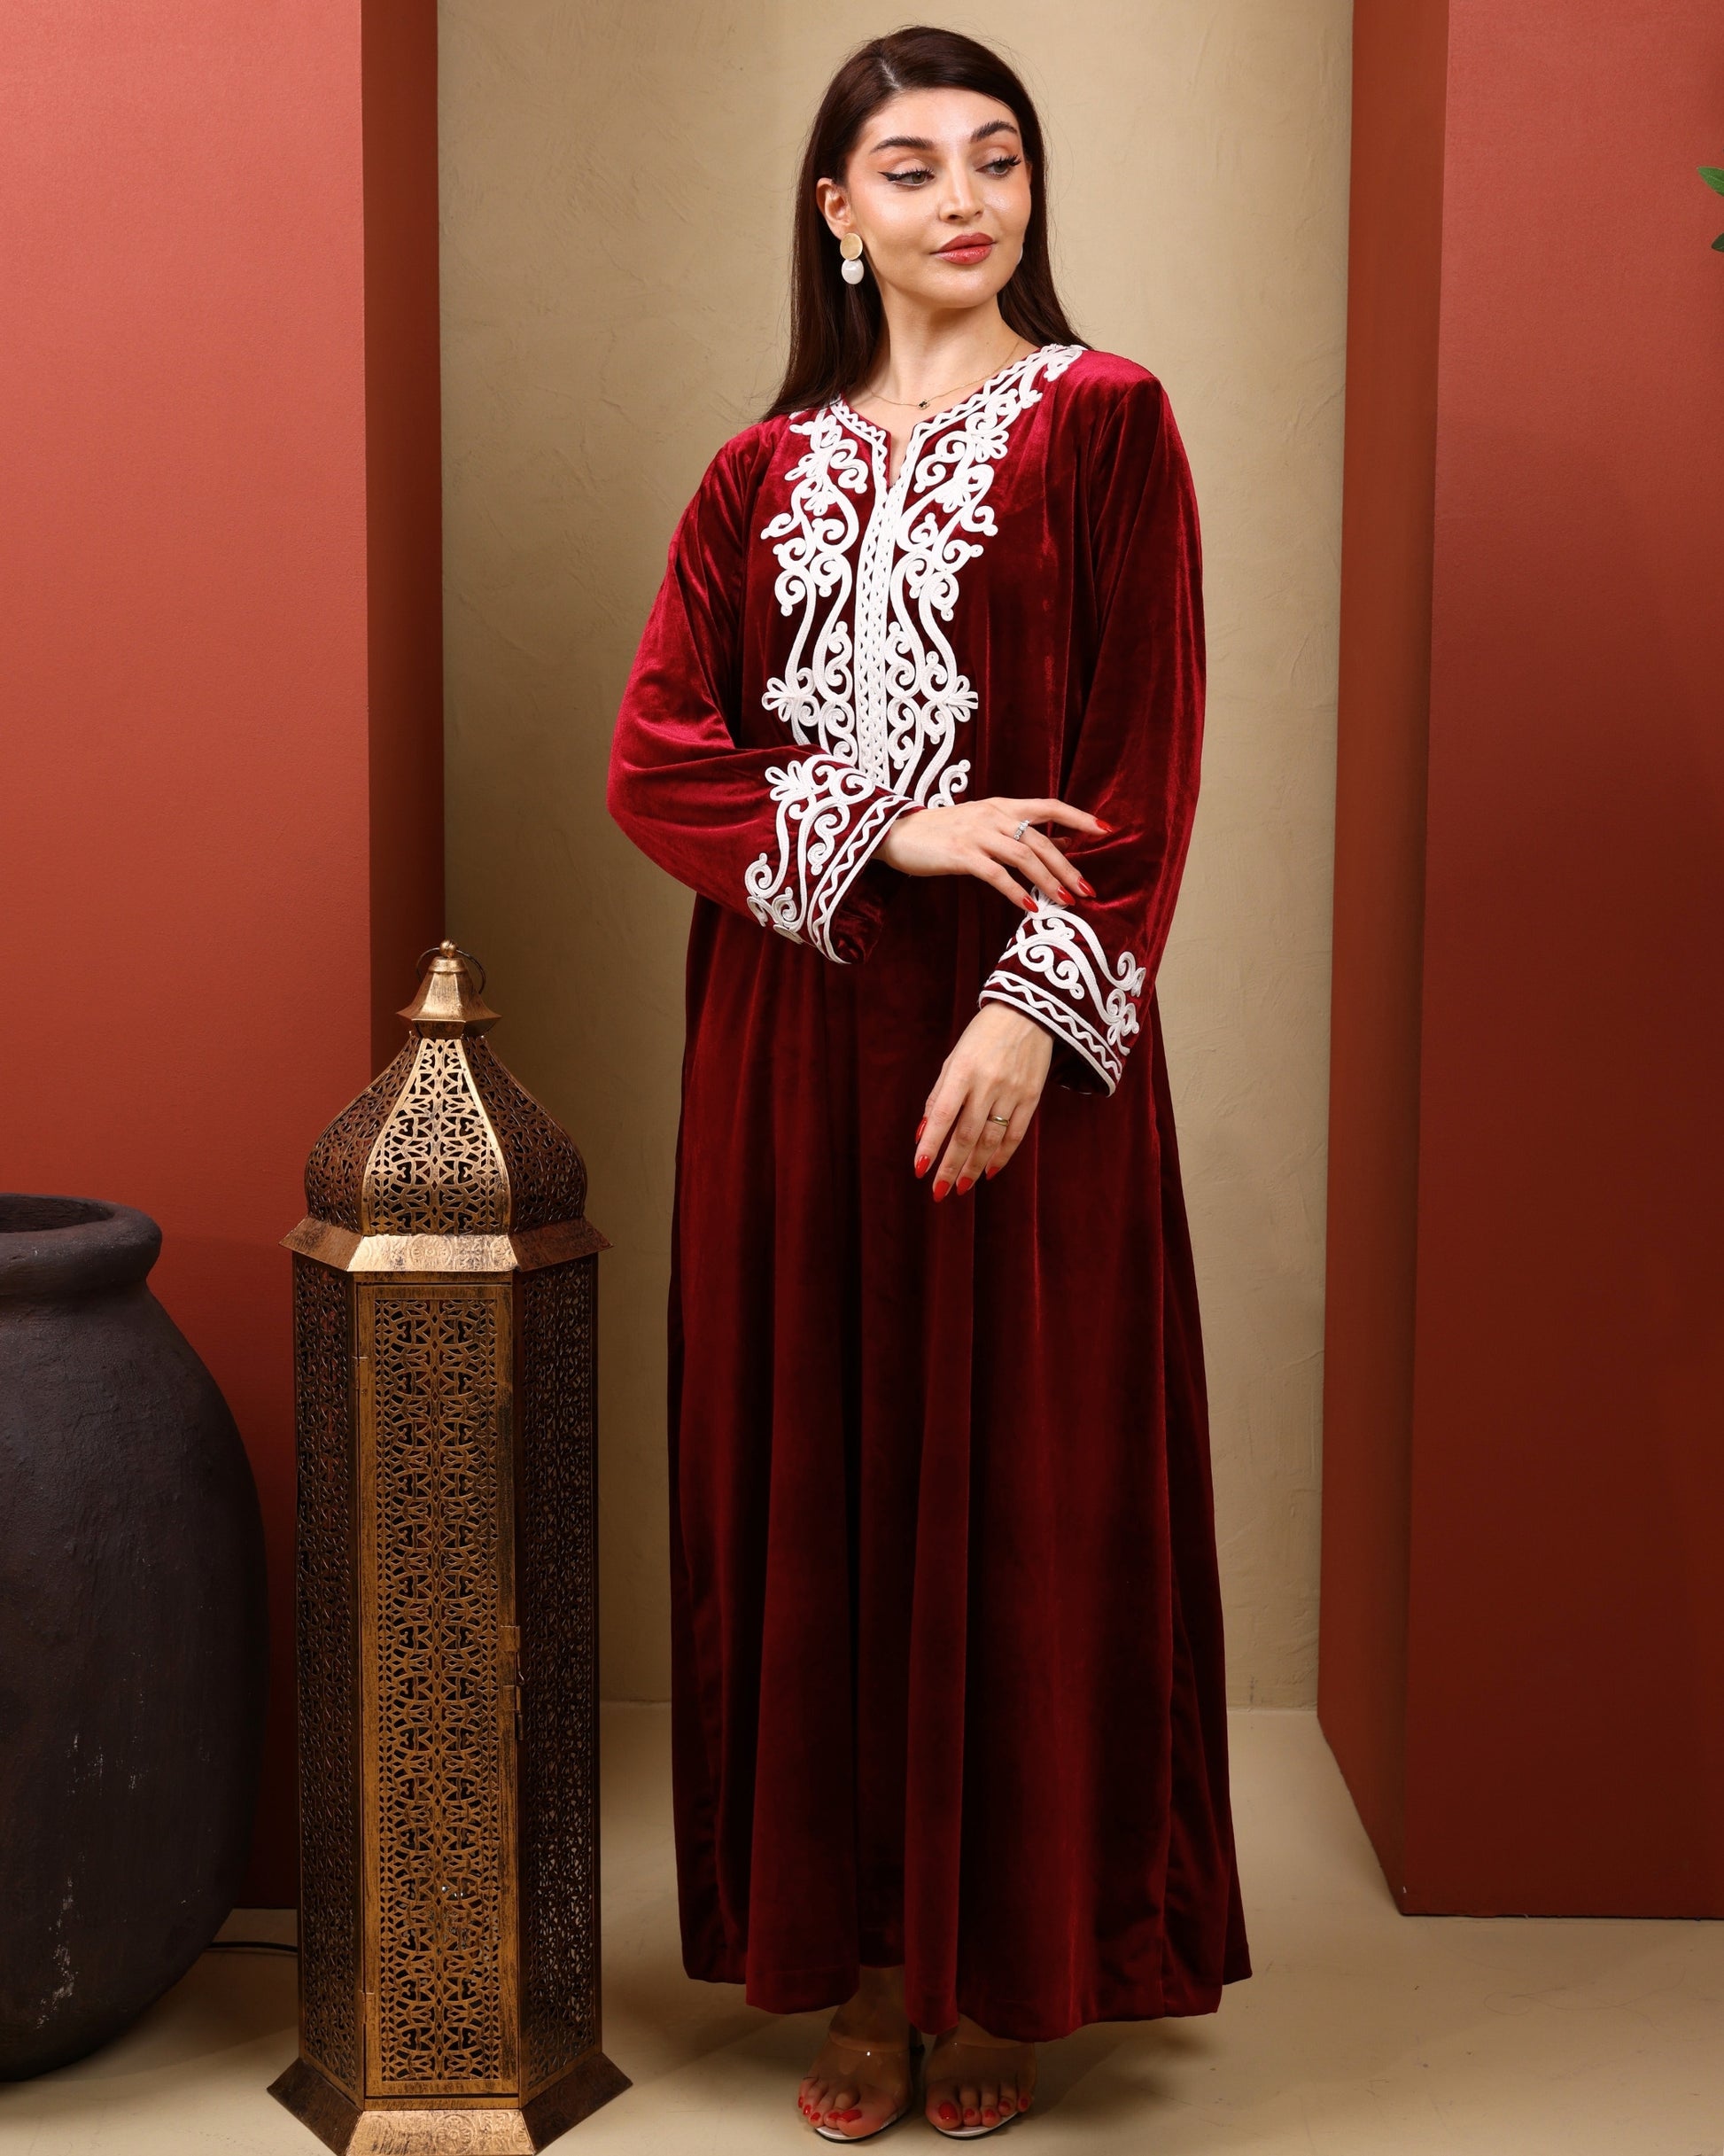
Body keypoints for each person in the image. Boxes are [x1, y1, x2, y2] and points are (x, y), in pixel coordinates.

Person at [606, 25, 1249, 2142]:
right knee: (819, 1485)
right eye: (908, 166)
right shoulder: (752, 474)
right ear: (837, 212)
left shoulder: (1106, 426)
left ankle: (1006, 1969)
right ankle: (862, 1966)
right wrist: (881, 826)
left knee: (1016, 1483)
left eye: (996, 159)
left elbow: (1143, 765)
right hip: (788, 1045)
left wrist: (1022, 1015)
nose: (962, 197)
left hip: (1019, 1050)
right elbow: (655, 760)